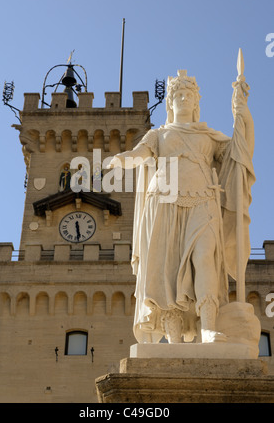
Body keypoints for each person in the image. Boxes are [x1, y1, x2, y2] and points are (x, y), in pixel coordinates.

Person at [109, 70, 255, 344]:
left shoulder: (208, 136)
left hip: (203, 200)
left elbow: (239, 153)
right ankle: (173, 340)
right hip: (163, 201)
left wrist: (242, 113)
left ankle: (209, 327)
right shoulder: (158, 135)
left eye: (190, 94)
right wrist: (121, 159)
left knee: (205, 257)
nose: (184, 98)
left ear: (197, 102)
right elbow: (138, 155)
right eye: (178, 94)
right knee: (167, 271)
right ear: (170, 102)